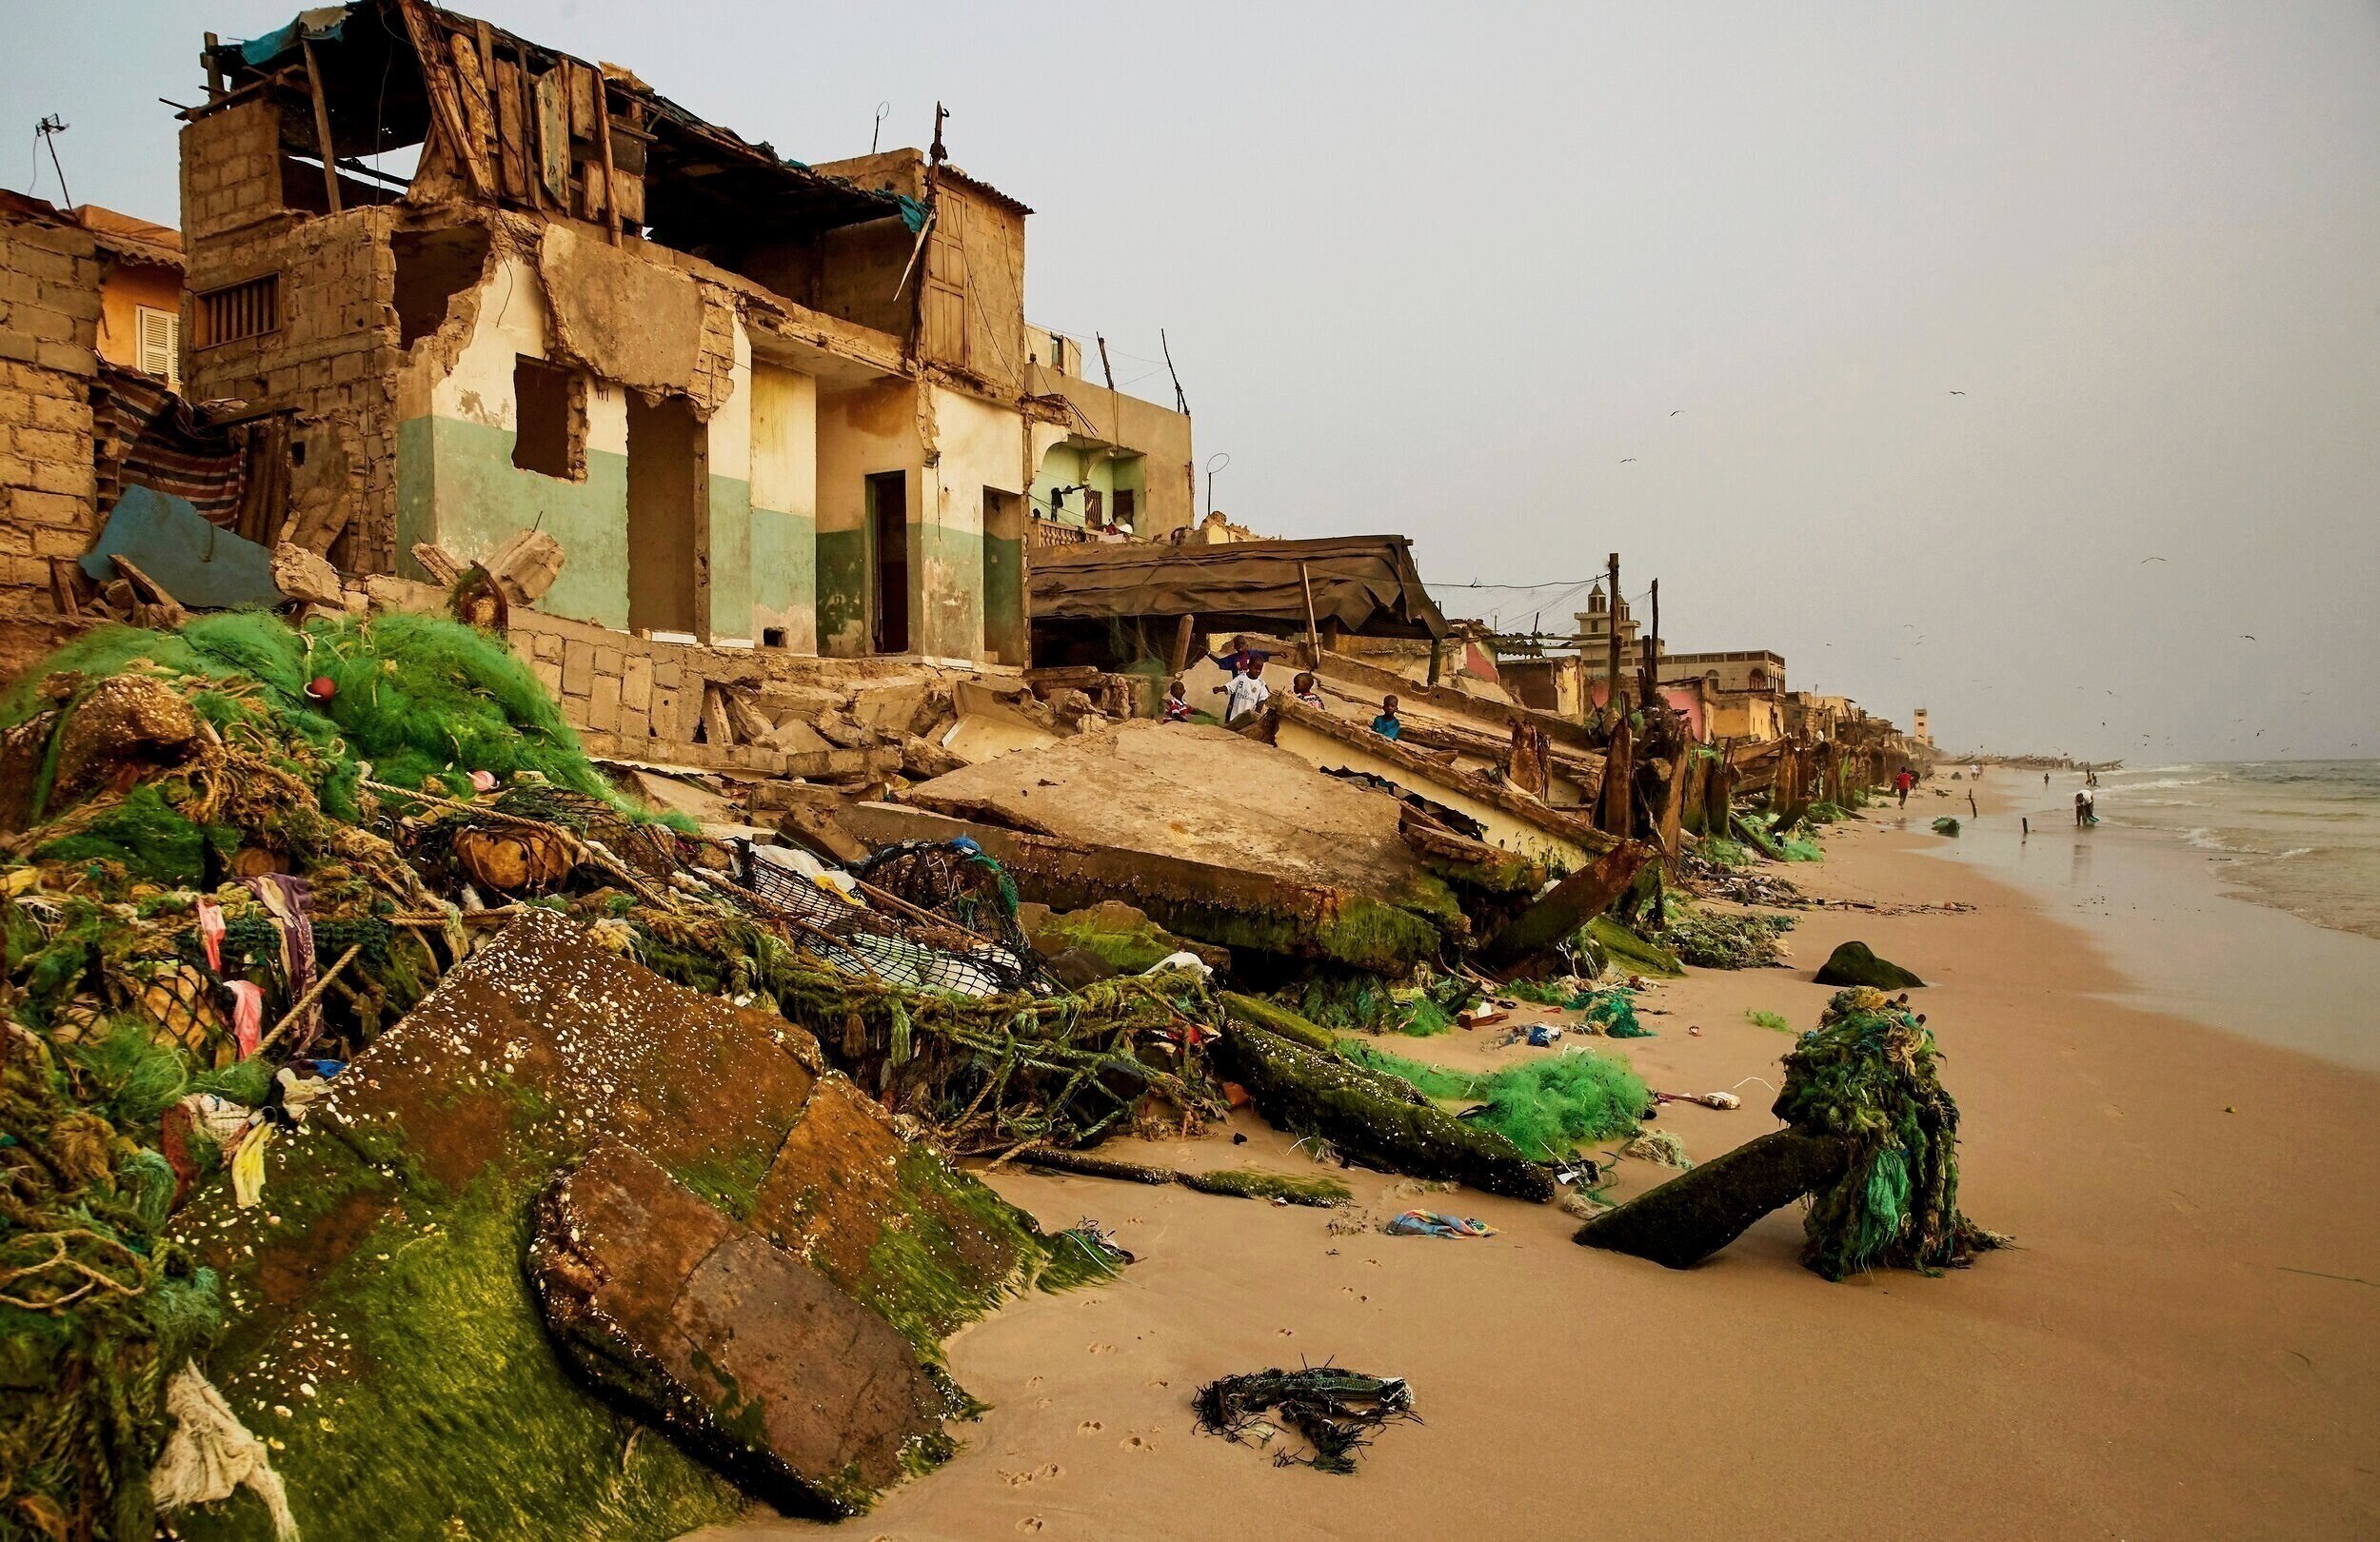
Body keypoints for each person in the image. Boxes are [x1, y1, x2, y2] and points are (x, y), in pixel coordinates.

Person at [1217, 659, 1269, 726]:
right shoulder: (1241, 677)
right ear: (1249, 666)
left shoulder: (1261, 684)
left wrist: (1257, 712)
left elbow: (1263, 699)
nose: (1258, 671)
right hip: (1235, 715)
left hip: (1247, 719)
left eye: (1260, 669)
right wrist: (1220, 689)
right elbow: (1230, 686)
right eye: (1256, 668)